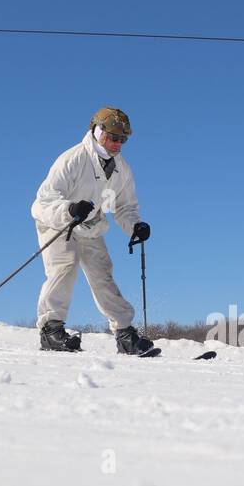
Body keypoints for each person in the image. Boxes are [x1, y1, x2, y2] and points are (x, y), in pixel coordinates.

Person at [30, 107, 154, 355]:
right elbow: (44, 200)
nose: (117, 144)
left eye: (123, 140)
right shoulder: (72, 159)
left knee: (103, 274)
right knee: (65, 267)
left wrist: (135, 225)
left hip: (91, 226)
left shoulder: (122, 170)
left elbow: (125, 206)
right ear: (98, 131)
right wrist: (69, 209)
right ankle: (51, 331)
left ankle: (124, 334)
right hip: (58, 222)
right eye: (113, 137)